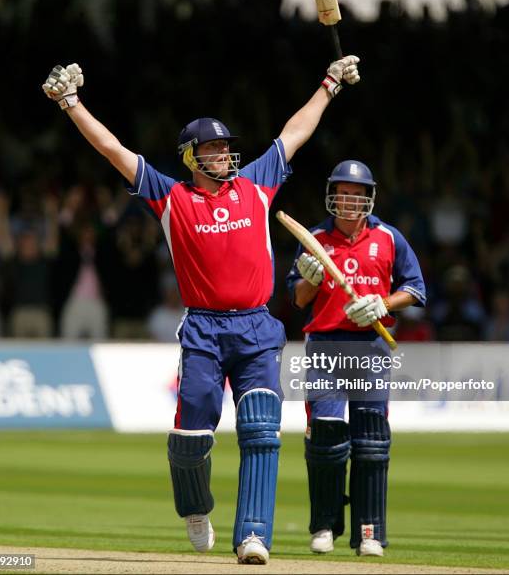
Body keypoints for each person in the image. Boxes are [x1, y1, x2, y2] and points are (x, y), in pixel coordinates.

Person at [42, 55, 361, 565]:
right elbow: (113, 150)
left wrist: (330, 83)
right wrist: (70, 103)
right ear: (191, 156)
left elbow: (294, 132)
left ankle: (253, 535)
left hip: (257, 326)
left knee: (261, 428)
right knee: (191, 439)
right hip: (205, 331)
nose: (223, 155)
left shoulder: (256, 186)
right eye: (212, 148)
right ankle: (195, 507)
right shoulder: (171, 197)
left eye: (226, 148)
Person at [286, 160, 426, 557]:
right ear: (333, 195)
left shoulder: (389, 238)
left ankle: (370, 532)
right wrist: (310, 281)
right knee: (326, 442)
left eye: (356, 193)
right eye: (342, 192)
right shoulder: (315, 238)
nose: (348, 200)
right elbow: (297, 300)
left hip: (371, 348)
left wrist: (382, 302)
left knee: (371, 443)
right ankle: (324, 526)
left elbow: (415, 289)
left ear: (369, 197)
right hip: (327, 347)